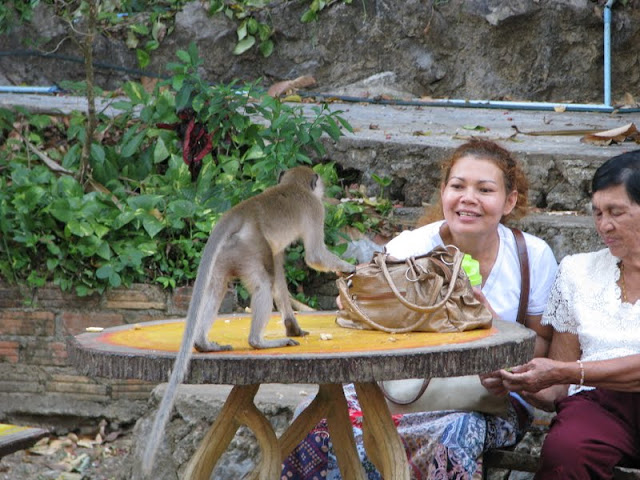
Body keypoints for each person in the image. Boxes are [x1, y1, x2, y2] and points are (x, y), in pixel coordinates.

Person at [281, 139, 558, 479]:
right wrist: (372, 305)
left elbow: (542, 344)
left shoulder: (532, 255)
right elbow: (354, 310)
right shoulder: (412, 248)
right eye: (457, 186)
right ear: (443, 192)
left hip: (488, 398)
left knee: (452, 435)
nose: (468, 198)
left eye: (485, 189)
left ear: (509, 200)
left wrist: (491, 327)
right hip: (403, 388)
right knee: (314, 418)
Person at [500, 149, 640, 479]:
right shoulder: (578, 271)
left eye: (616, 212)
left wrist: (562, 371)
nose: (604, 225)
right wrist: (518, 379)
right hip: (599, 406)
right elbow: (558, 388)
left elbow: (565, 371)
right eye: (598, 213)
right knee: (566, 451)